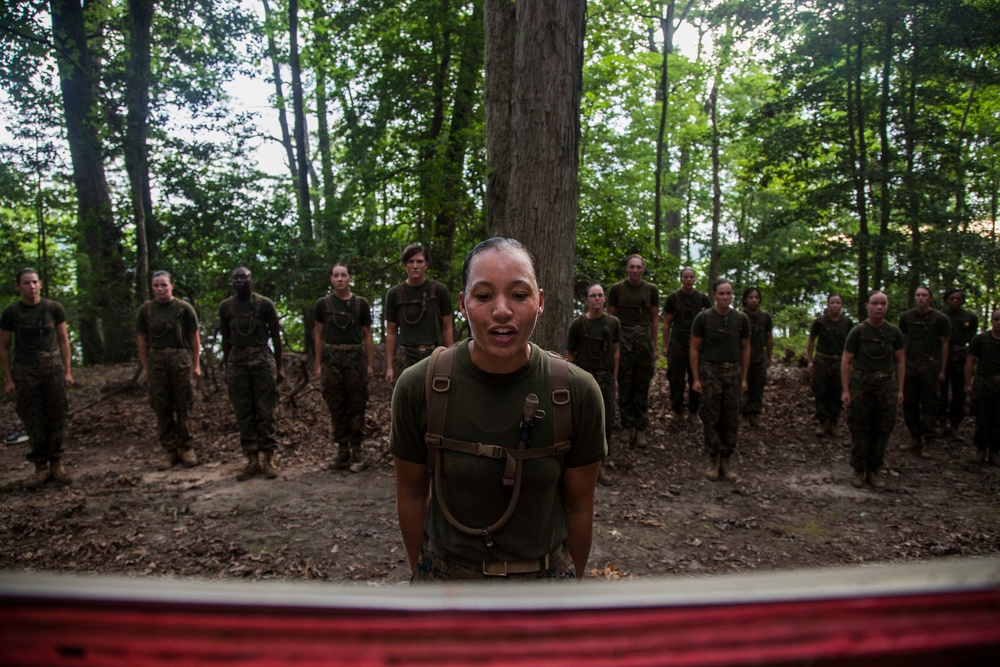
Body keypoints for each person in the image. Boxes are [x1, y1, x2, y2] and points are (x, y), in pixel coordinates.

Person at [390, 237, 606, 582]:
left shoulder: (578, 392)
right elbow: (413, 494)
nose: (502, 310)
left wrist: (569, 594)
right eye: (484, 295)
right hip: (447, 587)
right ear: (463, 303)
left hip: (544, 586)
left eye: (520, 295)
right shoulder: (419, 386)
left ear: (541, 302)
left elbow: (579, 507)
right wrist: (427, 579)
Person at [0, 268, 75, 488]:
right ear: (18, 287)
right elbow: (3, 347)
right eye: (26, 283)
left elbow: (63, 340)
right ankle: (40, 467)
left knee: (57, 415)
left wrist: (67, 371)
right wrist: (9, 379)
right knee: (32, 417)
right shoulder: (11, 313)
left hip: (52, 367)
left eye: (34, 282)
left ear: (40, 284)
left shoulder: (53, 309)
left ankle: (57, 464)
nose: (31, 287)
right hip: (25, 368)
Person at [218, 266, 284, 481]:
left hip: (262, 360)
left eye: (243, 277)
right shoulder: (226, 307)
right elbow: (226, 339)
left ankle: (269, 458)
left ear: (251, 280)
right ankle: (252, 459)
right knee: (244, 412)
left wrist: (279, 366)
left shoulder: (264, 304)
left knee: (266, 410)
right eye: (235, 278)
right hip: (237, 362)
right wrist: (227, 366)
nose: (239, 281)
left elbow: (275, 337)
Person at [136, 271, 202, 471]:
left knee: (184, 404)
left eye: (164, 285)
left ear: (172, 286)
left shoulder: (184, 309)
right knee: (161, 406)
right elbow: (142, 340)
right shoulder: (146, 310)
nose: (160, 289)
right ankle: (169, 450)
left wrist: (196, 364)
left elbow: (194, 337)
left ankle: (186, 447)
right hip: (157, 361)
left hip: (180, 360)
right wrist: (146, 368)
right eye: (156, 285)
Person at [313, 263, 374, 472]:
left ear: (349, 278)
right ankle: (342, 451)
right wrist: (318, 364)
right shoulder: (323, 304)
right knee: (336, 405)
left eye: (343, 275)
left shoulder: (360, 304)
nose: (340, 279)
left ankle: (357, 451)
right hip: (331, 359)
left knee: (357, 404)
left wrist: (369, 364)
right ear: (331, 280)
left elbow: (367, 335)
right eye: (336, 276)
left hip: (355, 359)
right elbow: (318, 334)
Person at [841, 291, 905, 489]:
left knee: (883, 427)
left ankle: (875, 469)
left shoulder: (894, 333)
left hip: (886, 385)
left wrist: (900, 389)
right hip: (862, 385)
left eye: (883, 304)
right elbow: (846, 360)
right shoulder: (858, 331)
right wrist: (846, 390)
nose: (879, 307)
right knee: (860, 426)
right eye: (875, 303)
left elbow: (900, 361)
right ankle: (859, 469)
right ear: (867, 306)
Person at [690, 279, 750, 482]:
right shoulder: (704, 318)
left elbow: (745, 348)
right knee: (711, 416)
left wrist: (744, 377)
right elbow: (694, 349)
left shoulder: (741, 319)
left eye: (729, 294)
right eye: (722, 294)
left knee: (731, 417)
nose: (725, 297)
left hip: (733, 372)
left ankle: (726, 459)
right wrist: (696, 378)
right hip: (710, 372)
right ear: (714, 295)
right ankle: (713, 459)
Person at [566, 283, 620, 485]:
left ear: (605, 299)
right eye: (593, 296)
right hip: (583, 379)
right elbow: (570, 354)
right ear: (586, 299)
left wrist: (615, 377)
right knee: (579, 421)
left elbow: (616, 350)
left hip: (605, 378)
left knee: (605, 422)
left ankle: (600, 466)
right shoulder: (577, 325)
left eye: (600, 295)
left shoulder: (613, 323)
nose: (597, 299)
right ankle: (577, 464)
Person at [607, 254, 659, 448]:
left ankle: (641, 428)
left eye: (639, 267)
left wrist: (654, 346)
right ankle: (627, 425)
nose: (635, 270)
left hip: (643, 341)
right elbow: (610, 319)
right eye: (632, 267)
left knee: (642, 384)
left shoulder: (650, 290)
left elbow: (654, 319)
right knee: (625, 384)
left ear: (643, 269)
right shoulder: (617, 290)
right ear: (627, 269)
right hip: (623, 341)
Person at [384, 244, 454, 385]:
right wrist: (390, 366)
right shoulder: (394, 294)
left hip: (434, 356)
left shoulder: (439, 291)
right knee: (406, 402)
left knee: (434, 401)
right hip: (405, 357)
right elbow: (391, 331)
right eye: (411, 262)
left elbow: (447, 327)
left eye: (419, 261)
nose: (415, 266)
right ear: (405, 265)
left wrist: (450, 360)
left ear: (426, 264)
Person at [898, 286, 949, 457]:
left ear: (930, 298)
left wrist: (942, 369)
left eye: (924, 295)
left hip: (930, 364)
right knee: (909, 403)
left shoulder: (940, 319)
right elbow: (902, 343)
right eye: (918, 295)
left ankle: (928, 441)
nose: (920, 298)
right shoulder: (906, 318)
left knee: (930, 404)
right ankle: (915, 438)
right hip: (911, 364)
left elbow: (945, 344)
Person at [662, 267, 712, 423]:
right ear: (681, 279)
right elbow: (667, 323)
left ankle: (693, 411)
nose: (689, 280)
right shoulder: (673, 299)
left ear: (695, 279)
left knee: (695, 378)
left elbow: (710, 322)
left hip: (696, 345)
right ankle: (677, 410)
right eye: (686, 277)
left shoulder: (703, 299)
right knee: (676, 379)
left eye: (691, 277)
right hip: (677, 343)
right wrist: (665, 345)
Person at [807, 293, 854, 437]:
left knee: (837, 391)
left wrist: (851, 362)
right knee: (821, 390)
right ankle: (822, 422)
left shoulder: (847, 323)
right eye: (832, 303)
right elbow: (811, 340)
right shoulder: (820, 322)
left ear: (841, 305)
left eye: (838, 303)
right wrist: (810, 360)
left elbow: (852, 343)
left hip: (839, 361)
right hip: (822, 359)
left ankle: (834, 422)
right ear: (827, 305)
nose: (835, 305)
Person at [940, 288, 978, 439]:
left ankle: (954, 424)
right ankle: (941, 423)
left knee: (959, 394)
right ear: (947, 300)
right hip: (943, 359)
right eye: (952, 298)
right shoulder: (940, 317)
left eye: (958, 299)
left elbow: (973, 340)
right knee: (941, 393)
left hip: (961, 360)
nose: (955, 301)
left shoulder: (969, 317)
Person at [964, 308, 1000, 465]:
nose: (999, 323)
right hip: (983, 382)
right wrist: (968, 384)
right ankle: (980, 449)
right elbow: (970, 362)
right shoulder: (980, 339)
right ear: (991, 321)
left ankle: (994, 451)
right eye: (997, 319)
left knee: (998, 419)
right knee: (982, 418)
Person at [739, 286, 773, 428]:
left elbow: (768, 337)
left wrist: (769, 357)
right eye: (751, 297)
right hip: (742, 356)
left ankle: (755, 414)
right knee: (743, 384)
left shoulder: (765, 317)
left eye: (756, 297)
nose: (754, 300)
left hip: (759, 355)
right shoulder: (740, 316)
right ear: (745, 300)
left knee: (758, 385)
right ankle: (744, 415)